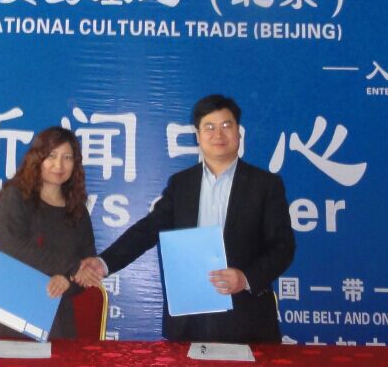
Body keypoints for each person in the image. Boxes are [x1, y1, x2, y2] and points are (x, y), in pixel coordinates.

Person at [75, 95, 294, 343]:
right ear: (198, 136)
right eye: (209, 127)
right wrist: (104, 263)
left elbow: (283, 247)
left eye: (226, 125)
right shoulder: (182, 184)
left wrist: (245, 278)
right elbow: (147, 230)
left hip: (247, 318)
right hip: (189, 321)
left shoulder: (265, 185)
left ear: (239, 132)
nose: (218, 134)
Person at [0, 126, 97, 340]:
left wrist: (68, 282)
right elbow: (11, 247)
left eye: (67, 157)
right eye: (51, 155)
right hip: (10, 311)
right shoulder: (17, 196)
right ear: (37, 158)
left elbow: (87, 265)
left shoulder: (78, 210)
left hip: (56, 316)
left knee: (57, 363)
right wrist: (70, 267)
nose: (59, 165)